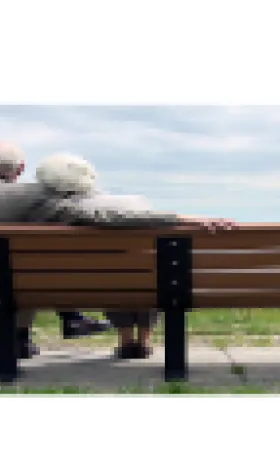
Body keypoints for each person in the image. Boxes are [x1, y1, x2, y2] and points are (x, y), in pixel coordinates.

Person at [0, 141, 235, 359]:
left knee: (11, 270)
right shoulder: (31, 196)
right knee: (20, 270)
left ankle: (20, 338)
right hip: (22, 286)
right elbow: (103, 217)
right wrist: (183, 219)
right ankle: (46, 328)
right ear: (18, 169)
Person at [29, 152, 230, 359]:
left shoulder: (54, 211)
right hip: (149, 279)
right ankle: (143, 340)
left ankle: (126, 339)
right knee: (145, 271)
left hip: (91, 283)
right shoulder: (134, 202)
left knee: (110, 274)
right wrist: (184, 218)